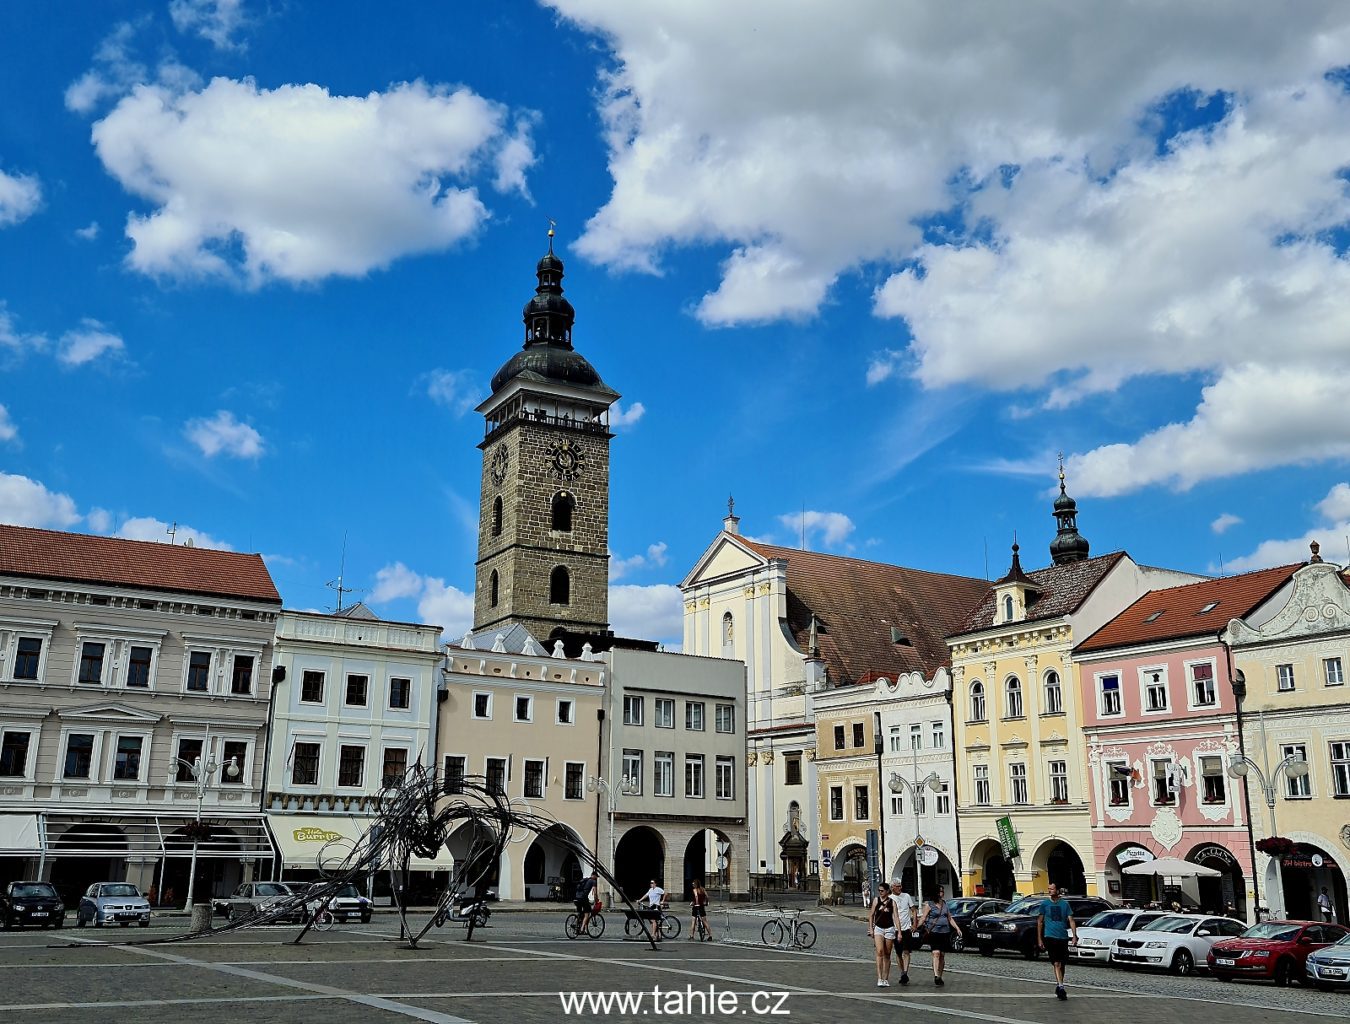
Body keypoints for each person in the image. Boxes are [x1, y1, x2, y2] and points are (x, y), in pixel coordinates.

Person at [1036, 883, 1079, 1001]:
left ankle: (1060, 984)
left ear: (1057, 890)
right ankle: (1061, 986)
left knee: (1062, 963)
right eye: (1048, 889)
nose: (1049, 890)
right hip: (1050, 936)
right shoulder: (1045, 904)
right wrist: (1039, 939)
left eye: (1052, 889)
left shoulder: (1065, 904)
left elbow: (1071, 920)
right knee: (1056, 963)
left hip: (1063, 936)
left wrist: (1074, 935)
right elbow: (1040, 922)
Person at [916, 885, 961, 986]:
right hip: (934, 932)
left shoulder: (944, 904)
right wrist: (916, 926)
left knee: (942, 955)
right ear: (936, 893)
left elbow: (949, 918)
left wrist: (957, 928)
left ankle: (940, 975)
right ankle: (936, 975)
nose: (942, 893)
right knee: (936, 953)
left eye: (943, 891)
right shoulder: (929, 905)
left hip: (945, 932)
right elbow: (923, 918)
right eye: (940, 891)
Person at [868, 881, 897, 987]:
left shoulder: (892, 902)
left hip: (889, 928)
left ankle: (885, 978)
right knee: (880, 951)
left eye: (882, 891)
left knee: (887, 953)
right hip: (879, 928)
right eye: (879, 890)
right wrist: (871, 928)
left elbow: (896, 917)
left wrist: (898, 931)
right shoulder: (876, 900)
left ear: (887, 891)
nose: (880, 892)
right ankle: (879, 977)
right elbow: (871, 915)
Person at [891, 881, 917, 986]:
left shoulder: (906, 896)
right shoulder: (890, 898)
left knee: (906, 951)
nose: (900, 888)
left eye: (900, 886)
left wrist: (914, 924)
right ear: (892, 888)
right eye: (897, 886)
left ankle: (905, 972)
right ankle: (902, 972)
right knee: (898, 952)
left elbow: (914, 910)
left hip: (906, 928)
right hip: (895, 929)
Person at [574, 870, 598, 937]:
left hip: (576, 898)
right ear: (594, 876)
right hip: (583, 898)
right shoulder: (593, 881)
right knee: (587, 914)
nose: (596, 878)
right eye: (596, 877)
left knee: (580, 913)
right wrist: (596, 900)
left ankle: (577, 927)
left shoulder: (584, 880)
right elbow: (595, 892)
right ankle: (582, 929)